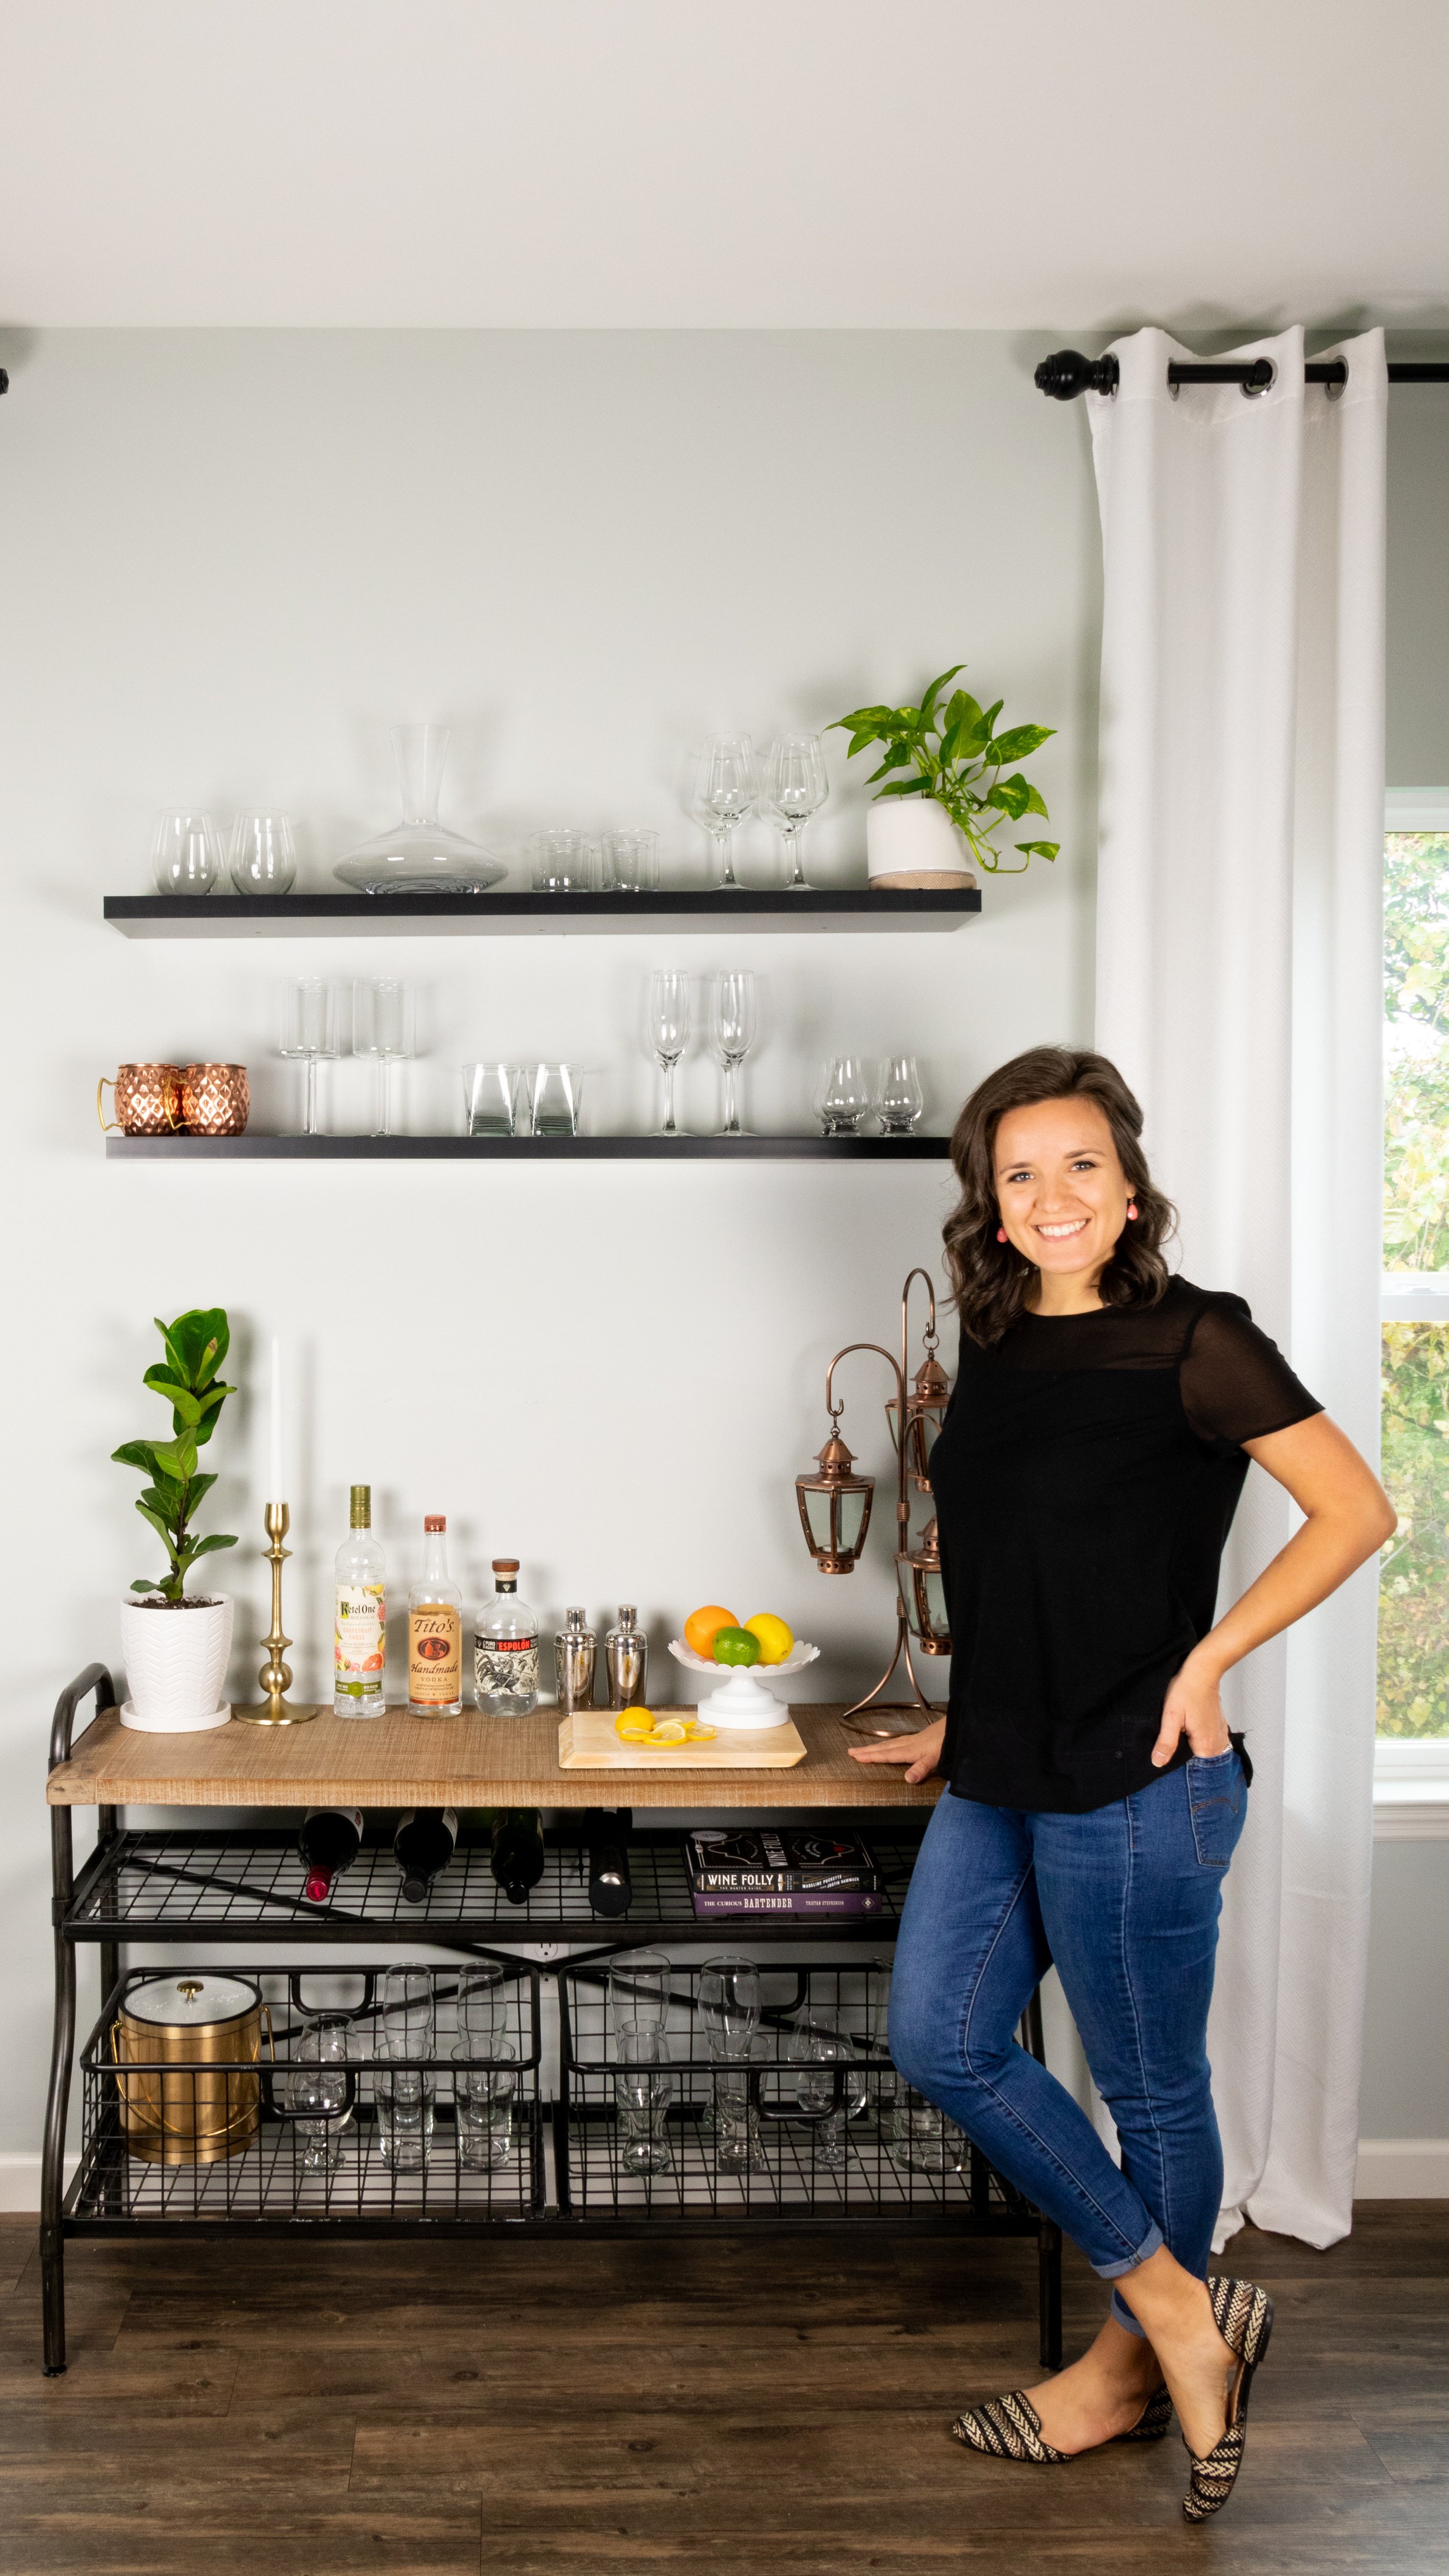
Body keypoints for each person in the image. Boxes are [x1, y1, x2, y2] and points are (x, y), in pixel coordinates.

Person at [851, 1045, 1393, 2523]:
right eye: (1017, 1172)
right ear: (990, 1199)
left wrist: (1207, 1659)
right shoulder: (996, 1335)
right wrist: (965, 1720)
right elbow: (1019, 1559)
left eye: (1077, 1163)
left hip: (1145, 1775)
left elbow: (1356, 1510)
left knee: (1151, 2085)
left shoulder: (1196, 1338)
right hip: (1005, 1764)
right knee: (939, 2038)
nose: (1049, 1195)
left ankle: (1118, 2372)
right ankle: (1175, 2307)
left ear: (1129, 1180)